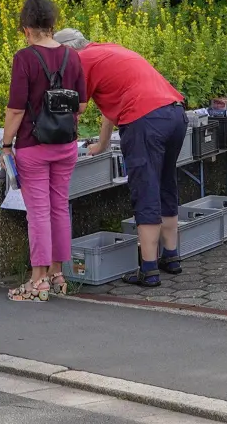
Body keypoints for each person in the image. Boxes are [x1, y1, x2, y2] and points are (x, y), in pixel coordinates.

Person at [56, 28, 188, 287]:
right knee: (165, 184)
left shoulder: (80, 62)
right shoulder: (108, 50)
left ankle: (149, 270)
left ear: (67, 53)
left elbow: (77, 107)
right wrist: (103, 144)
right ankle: (171, 257)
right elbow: (111, 104)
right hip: (175, 115)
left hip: (145, 121)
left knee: (145, 189)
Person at [1, 0, 88, 302]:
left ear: (26, 28)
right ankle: (57, 274)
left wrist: (6, 144)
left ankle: (37, 281)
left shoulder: (24, 58)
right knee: (59, 207)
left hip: (32, 146)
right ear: (52, 24)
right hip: (66, 146)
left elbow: (15, 110)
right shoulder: (72, 57)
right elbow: (82, 103)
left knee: (37, 213)